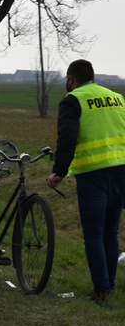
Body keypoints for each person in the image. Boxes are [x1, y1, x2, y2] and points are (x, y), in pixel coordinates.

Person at [46, 59, 125, 305]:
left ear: (71, 79)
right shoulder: (117, 97)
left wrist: (59, 171)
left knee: (93, 233)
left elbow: (67, 137)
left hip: (93, 173)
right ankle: (108, 286)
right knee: (110, 233)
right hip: (122, 171)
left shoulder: (73, 100)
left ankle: (100, 291)